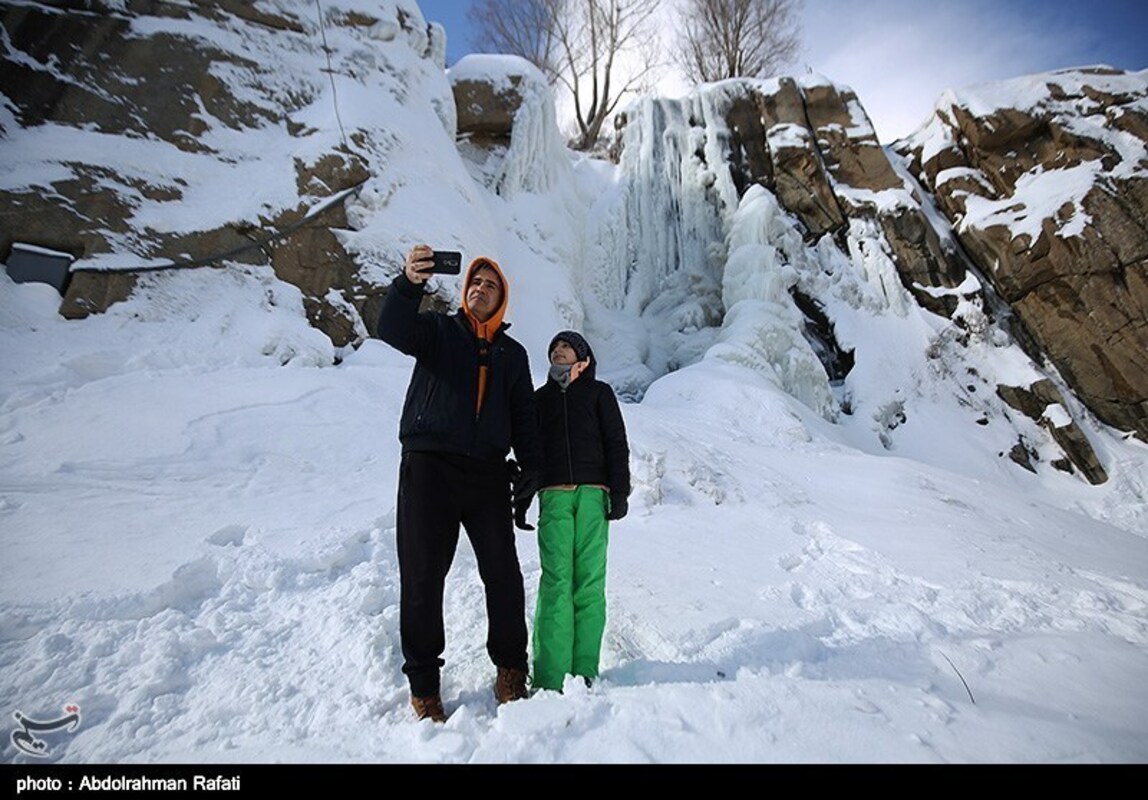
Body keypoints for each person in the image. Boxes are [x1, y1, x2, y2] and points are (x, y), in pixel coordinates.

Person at [377, 244, 542, 722]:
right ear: (464, 290)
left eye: (491, 286)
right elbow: (391, 327)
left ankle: (511, 668)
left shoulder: (513, 355)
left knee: (504, 576)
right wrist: (409, 283)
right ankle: (425, 687)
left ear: (502, 298)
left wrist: (530, 468)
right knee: (424, 576)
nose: (481, 289)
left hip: (488, 472)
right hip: (429, 466)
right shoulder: (436, 330)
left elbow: (524, 418)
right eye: (475, 282)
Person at [524, 330, 630, 692]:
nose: (559, 350)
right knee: (556, 582)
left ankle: (585, 671)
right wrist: (523, 496)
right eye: (554, 347)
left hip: (592, 496)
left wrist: (620, 491)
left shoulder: (599, 393)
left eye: (566, 346)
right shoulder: (540, 400)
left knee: (589, 583)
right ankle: (550, 677)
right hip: (553, 495)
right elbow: (531, 452)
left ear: (583, 356)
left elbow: (616, 442)